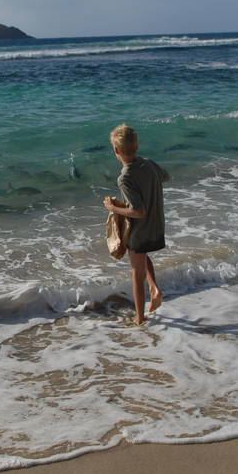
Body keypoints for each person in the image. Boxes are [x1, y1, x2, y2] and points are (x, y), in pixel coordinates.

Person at [103, 123, 169, 325]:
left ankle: (140, 318)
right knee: (142, 257)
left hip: (140, 230)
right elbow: (165, 177)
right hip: (156, 225)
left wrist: (113, 209)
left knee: (136, 272)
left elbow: (138, 211)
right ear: (137, 146)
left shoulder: (125, 178)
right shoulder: (148, 164)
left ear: (116, 151)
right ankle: (155, 288)